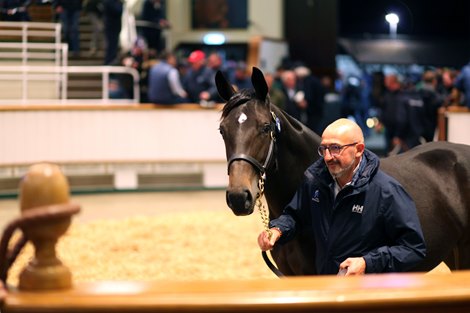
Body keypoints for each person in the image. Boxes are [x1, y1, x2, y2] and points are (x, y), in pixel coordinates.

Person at [257, 118, 426, 275]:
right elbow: (295, 215)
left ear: (359, 150)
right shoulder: (315, 182)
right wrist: (277, 229)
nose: (328, 157)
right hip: (328, 288)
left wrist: (367, 263)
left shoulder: (386, 191)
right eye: (323, 149)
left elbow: (413, 248)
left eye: (336, 148)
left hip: (369, 293)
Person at [103, 0, 123, 65]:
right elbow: (118, 10)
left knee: (113, 48)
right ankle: (108, 64)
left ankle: (110, 63)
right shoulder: (109, 2)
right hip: (111, 28)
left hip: (114, 28)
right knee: (111, 48)